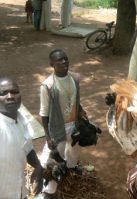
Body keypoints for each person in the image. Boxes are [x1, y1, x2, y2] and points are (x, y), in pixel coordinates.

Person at [39, 49, 83, 198]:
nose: (64, 62)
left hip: (74, 123)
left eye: (65, 58)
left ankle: (70, 167)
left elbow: (76, 100)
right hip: (58, 127)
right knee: (54, 159)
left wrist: (81, 112)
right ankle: (49, 190)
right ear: (52, 64)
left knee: (73, 150)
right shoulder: (48, 85)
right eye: (59, 60)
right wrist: (48, 136)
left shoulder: (75, 78)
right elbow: (44, 113)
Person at [0, 77, 44, 198]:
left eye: (14, 92)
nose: (10, 96)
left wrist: (38, 166)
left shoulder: (21, 119)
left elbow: (27, 147)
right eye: (3, 93)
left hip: (18, 189)